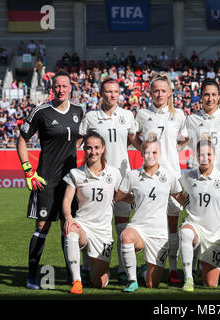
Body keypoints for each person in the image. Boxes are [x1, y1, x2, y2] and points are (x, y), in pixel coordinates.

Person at [16, 70, 83, 289]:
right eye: (57, 86)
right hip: (46, 179)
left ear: (70, 87)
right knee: (42, 226)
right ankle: (33, 276)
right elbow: (22, 141)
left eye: (64, 86)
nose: (61, 90)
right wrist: (28, 170)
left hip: (70, 181)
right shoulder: (41, 112)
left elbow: (80, 138)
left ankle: (72, 275)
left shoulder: (79, 111)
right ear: (51, 88)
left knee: (69, 225)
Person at [78, 77, 139, 285]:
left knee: (122, 226)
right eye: (107, 91)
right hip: (96, 179)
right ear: (100, 94)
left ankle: (123, 269)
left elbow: (136, 142)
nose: (112, 95)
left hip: (122, 180)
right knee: (92, 224)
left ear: (119, 94)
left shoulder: (128, 116)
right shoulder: (91, 117)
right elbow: (77, 143)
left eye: (115, 92)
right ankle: (87, 266)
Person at [134, 72, 189, 284]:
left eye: (163, 90)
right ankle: (150, 264)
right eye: (155, 90)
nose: (159, 93)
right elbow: (133, 136)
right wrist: (143, 150)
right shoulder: (142, 114)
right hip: (149, 179)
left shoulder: (180, 115)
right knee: (151, 223)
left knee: (172, 225)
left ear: (169, 93)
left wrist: (171, 151)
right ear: (150, 92)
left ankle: (173, 268)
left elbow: (184, 139)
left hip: (173, 176)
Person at [114, 135, 182, 292]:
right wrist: (130, 197)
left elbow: (180, 196)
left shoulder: (169, 176)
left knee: (152, 284)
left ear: (160, 154)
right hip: (139, 228)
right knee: (126, 236)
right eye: (146, 152)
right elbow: (118, 197)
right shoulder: (132, 176)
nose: (150, 156)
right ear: (141, 153)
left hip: (159, 234)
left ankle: (143, 272)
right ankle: (132, 281)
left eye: (154, 152)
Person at [185, 79, 220, 284]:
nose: (210, 98)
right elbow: (184, 145)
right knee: (197, 220)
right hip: (200, 180)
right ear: (200, 96)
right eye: (206, 94)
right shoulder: (191, 120)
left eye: (214, 94)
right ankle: (195, 265)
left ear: (219, 97)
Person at [62, 130, 121, 294]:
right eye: (89, 148)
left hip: (103, 231)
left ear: (103, 149)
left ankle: (95, 267)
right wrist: (69, 218)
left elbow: (121, 196)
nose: (93, 152)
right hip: (83, 224)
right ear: (84, 150)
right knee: (71, 231)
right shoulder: (76, 174)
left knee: (99, 283)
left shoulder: (114, 173)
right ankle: (77, 281)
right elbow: (67, 200)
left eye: (96, 147)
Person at [174, 137, 220, 292]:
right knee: (186, 233)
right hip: (194, 225)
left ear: (213, 156)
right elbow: (175, 190)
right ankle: (188, 278)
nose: (204, 158)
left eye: (208, 154)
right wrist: (185, 202)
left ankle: (202, 266)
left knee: (211, 283)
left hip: (214, 235)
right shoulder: (188, 176)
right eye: (201, 154)